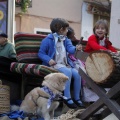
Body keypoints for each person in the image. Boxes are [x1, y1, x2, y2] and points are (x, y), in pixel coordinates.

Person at [38, 18, 84, 109]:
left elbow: (70, 49)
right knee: (68, 72)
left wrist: (76, 48)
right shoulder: (48, 40)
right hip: (54, 64)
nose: (67, 31)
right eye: (66, 29)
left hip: (64, 64)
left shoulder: (66, 40)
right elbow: (41, 53)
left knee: (78, 73)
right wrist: (48, 60)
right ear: (61, 29)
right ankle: (67, 97)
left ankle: (77, 98)